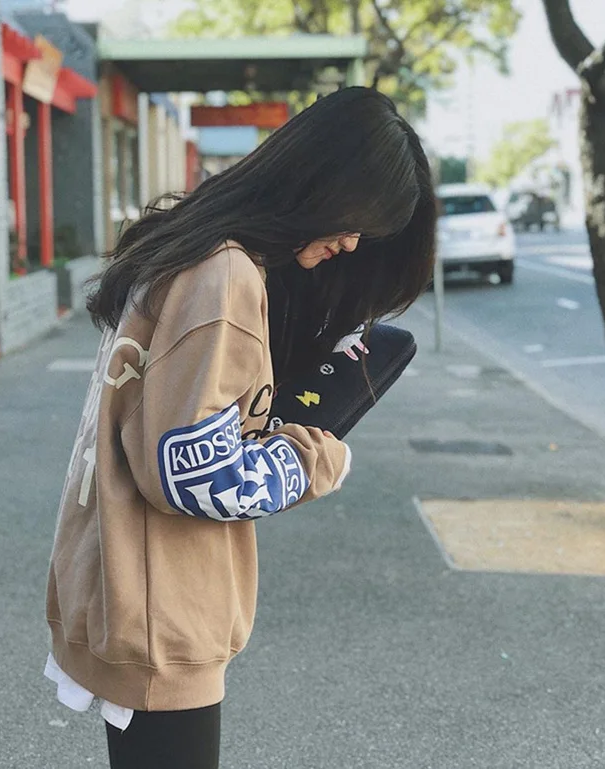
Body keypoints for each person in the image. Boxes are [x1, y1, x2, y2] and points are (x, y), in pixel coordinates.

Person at [43, 86, 436, 769]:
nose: (351, 243)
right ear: (318, 184)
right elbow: (192, 477)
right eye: (356, 222)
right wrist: (313, 458)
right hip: (162, 613)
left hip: (123, 588)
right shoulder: (224, 276)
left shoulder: (191, 247)